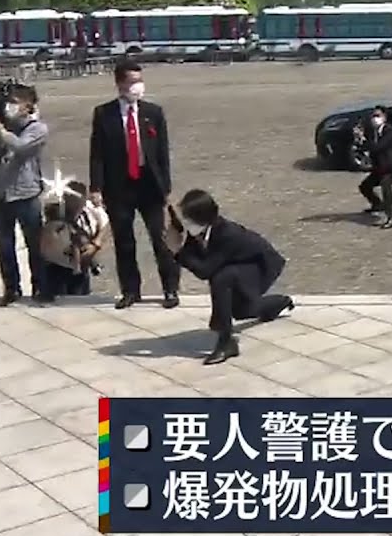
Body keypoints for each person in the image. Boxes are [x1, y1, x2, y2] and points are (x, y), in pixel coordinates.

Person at [162, 189, 294, 365]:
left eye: (188, 219)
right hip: (239, 266)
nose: (185, 222)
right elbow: (196, 259)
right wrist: (177, 245)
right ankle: (278, 303)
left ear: (202, 218)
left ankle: (226, 342)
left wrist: (178, 251)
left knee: (221, 278)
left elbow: (205, 270)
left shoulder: (227, 233)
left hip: (261, 266)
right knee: (241, 311)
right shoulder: (199, 233)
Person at [89, 59, 181, 310]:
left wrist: (166, 187)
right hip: (119, 186)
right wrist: (96, 187)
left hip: (149, 184)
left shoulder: (153, 112)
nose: (137, 86)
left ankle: (170, 288)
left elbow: (162, 153)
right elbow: (97, 153)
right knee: (124, 241)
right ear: (119, 83)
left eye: (140, 80)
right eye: (132, 81)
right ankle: (130, 290)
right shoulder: (104, 114)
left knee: (160, 239)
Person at [0, 84, 49, 305]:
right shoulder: (3, 127)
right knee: (5, 245)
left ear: (27, 106)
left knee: (35, 244)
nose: (9, 106)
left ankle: (42, 288)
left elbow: (20, 147)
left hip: (26, 193)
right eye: (8, 102)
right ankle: (11, 288)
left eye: (15, 102)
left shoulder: (37, 129)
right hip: (0, 192)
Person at [40, 181, 109, 299]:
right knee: (58, 300)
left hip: (81, 265)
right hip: (57, 265)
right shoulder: (56, 213)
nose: (74, 202)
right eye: (71, 198)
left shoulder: (90, 212)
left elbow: (105, 223)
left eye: (78, 199)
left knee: (79, 300)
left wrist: (96, 244)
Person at [355, 106, 392, 229]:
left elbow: (378, 147)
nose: (374, 119)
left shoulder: (391, 132)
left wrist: (365, 140)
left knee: (386, 186)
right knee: (365, 186)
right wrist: (360, 140)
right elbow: (366, 148)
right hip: (381, 167)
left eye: (378, 116)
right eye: (373, 116)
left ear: (384, 117)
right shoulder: (372, 132)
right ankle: (377, 204)